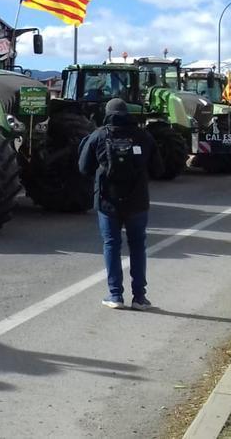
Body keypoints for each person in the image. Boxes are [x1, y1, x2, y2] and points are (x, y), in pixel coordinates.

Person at [78, 98, 163, 310]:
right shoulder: (143, 136)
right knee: (137, 246)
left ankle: (115, 295)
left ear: (107, 113)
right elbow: (159, 169)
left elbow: (83, 168)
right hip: (137, 201)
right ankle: (140, 297)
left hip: (108, 201)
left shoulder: (98, 135)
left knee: (111, 245)